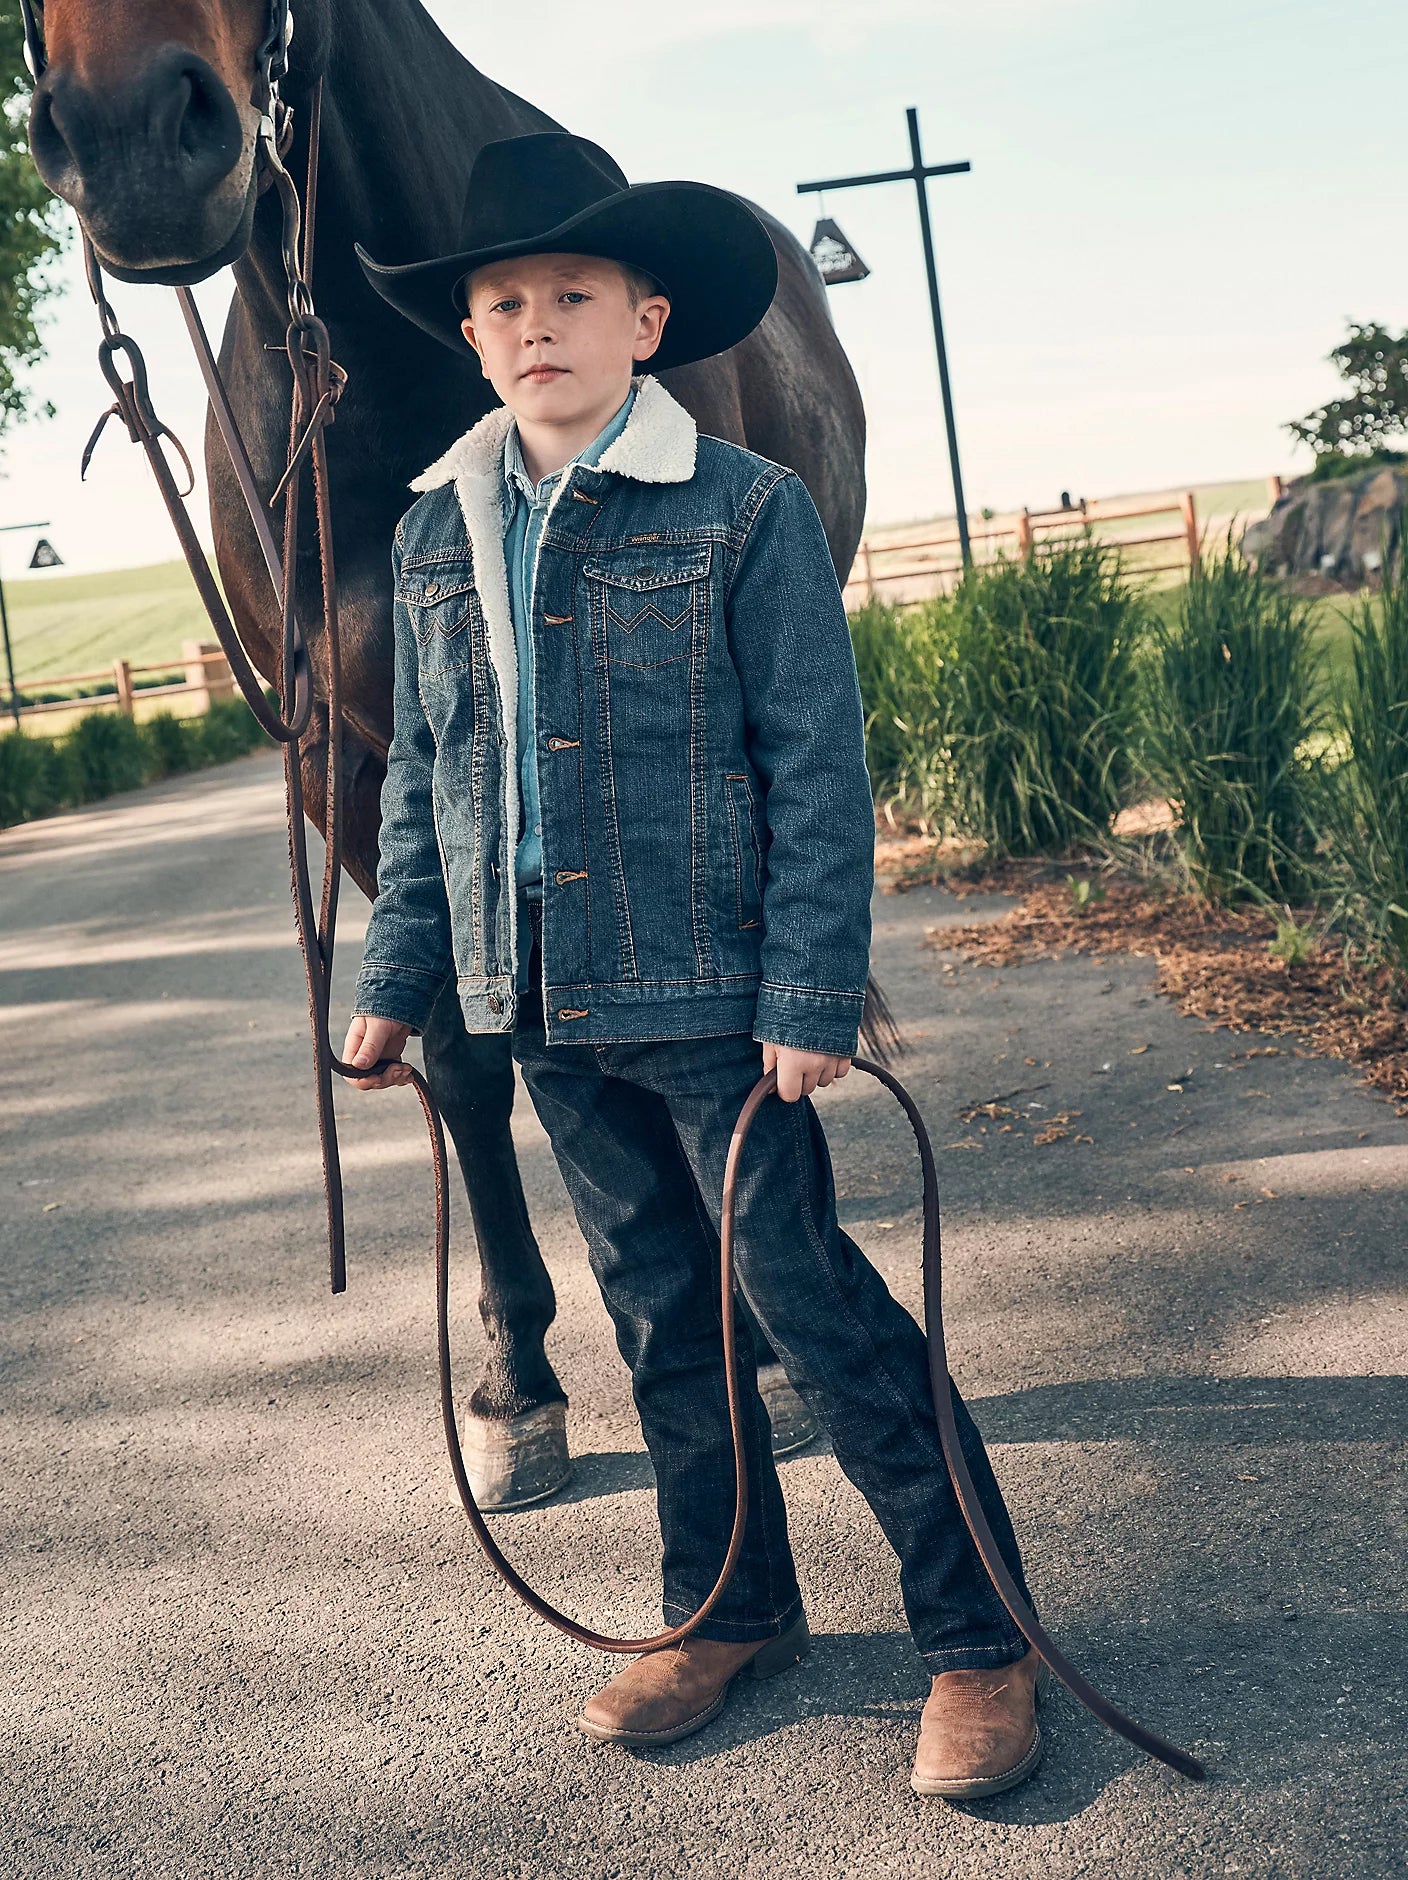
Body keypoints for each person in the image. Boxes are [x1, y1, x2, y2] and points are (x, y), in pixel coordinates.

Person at [342, 130, 1046, 1800]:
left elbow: (815, 758)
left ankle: (978, 1636)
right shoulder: (437, 532)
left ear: (645, 322)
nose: (535, 324)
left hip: (713, 1001)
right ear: (471, 334)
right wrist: (399, 975)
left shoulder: (743, 510)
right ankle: (726, 1606)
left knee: (808, 1299)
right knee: (660, 1313)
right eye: (504, 300)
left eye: (572, 294)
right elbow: (424, 780)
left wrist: (810, 990)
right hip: (540, 1000)